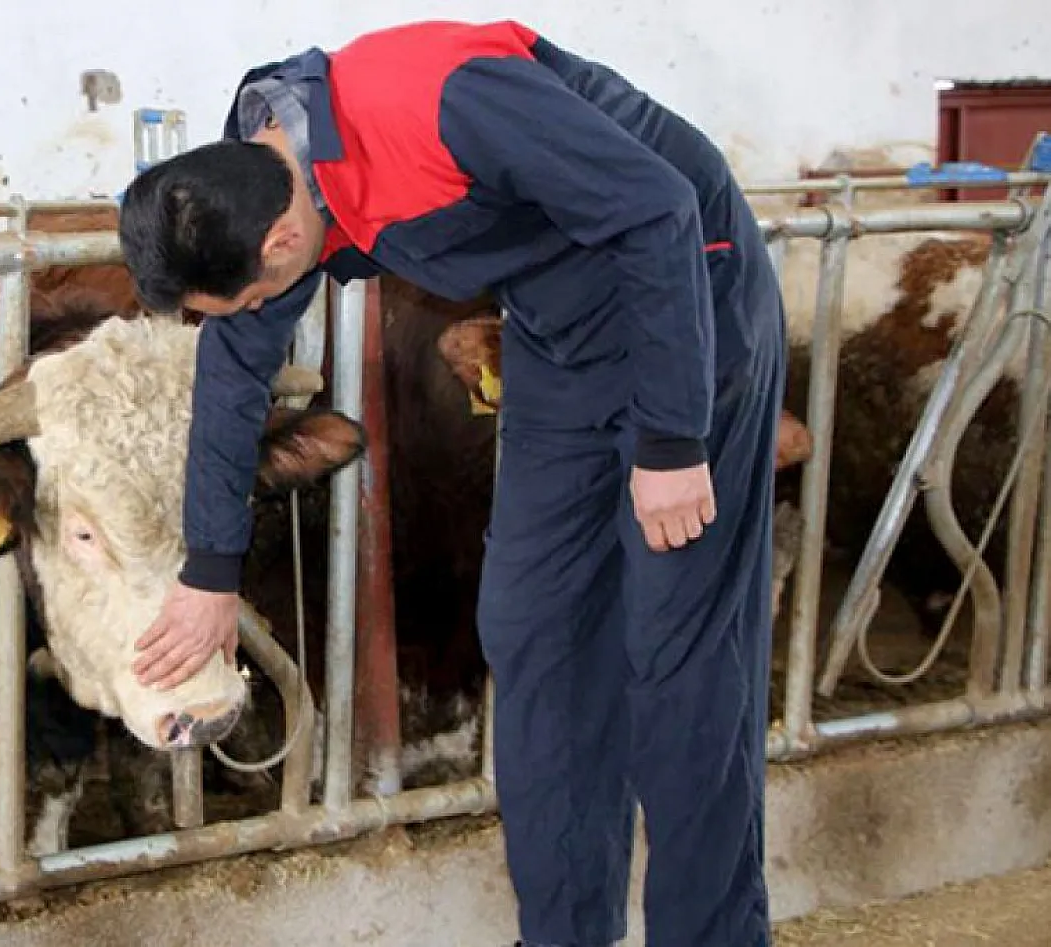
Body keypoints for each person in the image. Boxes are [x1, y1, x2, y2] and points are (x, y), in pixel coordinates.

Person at [116, 18, 783, 947]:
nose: (261, 315)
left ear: (277, 245)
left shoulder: (438, 100)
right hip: (560, 336)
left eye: (260, 299)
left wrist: (671, 443)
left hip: (686, 307)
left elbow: (657, 207)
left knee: (677, 653)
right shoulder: (259, 168)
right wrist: (211, 571)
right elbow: (233, 374)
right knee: (533, 629)